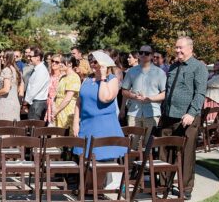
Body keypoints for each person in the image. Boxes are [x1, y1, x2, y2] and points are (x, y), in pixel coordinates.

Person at [158, 36, 207, 199]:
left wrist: (192, 113)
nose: (177, 50)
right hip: (168, 116)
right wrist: (163, 110)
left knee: (186, 154)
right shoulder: (172, 67)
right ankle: (164, 185)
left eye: (181, 48)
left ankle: (185, 188)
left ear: (190, 48)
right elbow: (168, 90)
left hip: (187, 119)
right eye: (176, 48)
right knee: (165, 151)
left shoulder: (198, 67)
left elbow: (200, 93)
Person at [73, 51, 127, 188]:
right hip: (86, 124)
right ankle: (88, 187)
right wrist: (75, 123)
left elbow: (105, 98)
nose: (92, 64)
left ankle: (100, 189)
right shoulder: (86, 80)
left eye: (96, 61)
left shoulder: (112, 79)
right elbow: (79, 102)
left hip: (104, 126)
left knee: (102, 158)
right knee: (85, 157)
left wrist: (103, 78)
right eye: (91, 61)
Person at [121, 45, 166, 142]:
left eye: (146, 53)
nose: (143, 55)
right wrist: (133, 96)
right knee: (132, 144)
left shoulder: (160, 72)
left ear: (151, 56)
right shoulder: (131, 71)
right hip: (134, 112)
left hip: (152, 112)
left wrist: (150, 98)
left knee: (148, 145)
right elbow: (124, 91)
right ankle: (133, 157)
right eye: (141, 52)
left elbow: (165, 94)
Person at [50, 55, 80, 129]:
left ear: (70, 64)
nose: (60, 64)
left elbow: (68, 98)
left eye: (62, 62)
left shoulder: (74, 77)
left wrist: (56, 110)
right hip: (58, 110)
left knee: (65, 136)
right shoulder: (63, 77)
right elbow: (56, 95)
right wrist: (54, 109)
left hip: (67, 110)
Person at [23, 46, 50, 121]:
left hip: (37, 103)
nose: (28, 58)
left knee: (33, 129)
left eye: (30, 56)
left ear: (38, 57)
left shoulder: (41, 71)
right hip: (35, 103)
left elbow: (34, 90)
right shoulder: (37, 69)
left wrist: (25, 103)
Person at [0, 51, 22, 121]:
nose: (1, 59)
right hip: (15, 103)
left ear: (7, 58)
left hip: (6, 104)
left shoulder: (7, 70)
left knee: (4, 129)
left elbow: (6, 89)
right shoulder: (16, 70)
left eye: (3, 57)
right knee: (13, 130)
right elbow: (19, 89)